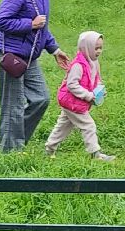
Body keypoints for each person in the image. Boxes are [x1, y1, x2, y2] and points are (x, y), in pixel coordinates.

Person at [0, 0, 72, 153]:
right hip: (12, 56)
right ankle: (9, 152)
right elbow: (1, 20)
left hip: (30, 57)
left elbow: (42, 27)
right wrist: (30, 24)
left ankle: (10, 141)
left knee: (40, 98)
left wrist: (54, 50)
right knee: (13, 105)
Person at [46, 31, 115, 160]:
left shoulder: (93, 62)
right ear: (86, 48)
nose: (99, 51)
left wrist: (100, 89)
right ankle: (95, 154)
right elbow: (72, 85)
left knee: (63, 126)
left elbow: (96, 79)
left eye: (100, 48)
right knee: (88, 125)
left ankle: (49, 149)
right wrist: (88, 95)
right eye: (96, 48)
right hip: (71, 101)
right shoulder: (78, 65)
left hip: (75, 102)